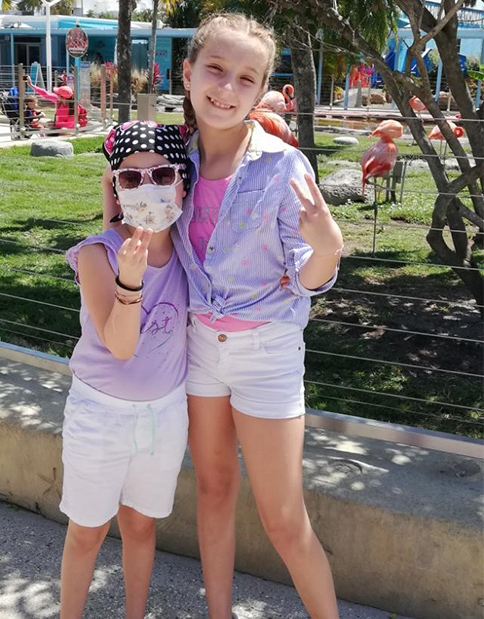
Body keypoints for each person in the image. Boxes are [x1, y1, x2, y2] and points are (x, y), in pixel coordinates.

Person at [103, 13, 343, 619]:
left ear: (260, 88)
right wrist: (117, 206)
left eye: (245, 77)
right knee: (212, 490)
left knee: (284, 521)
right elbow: (149, 246)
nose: (226, 88)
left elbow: (306, 278)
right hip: (201, 348)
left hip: (267, 354)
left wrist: (329, 248)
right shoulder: (172, 164)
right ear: (186, 74)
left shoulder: (282, 168)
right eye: (215, 69)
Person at [60, 121, 191, 619]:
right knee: (88, 531)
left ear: (183, 180)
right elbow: (119, 345)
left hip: (164, 416)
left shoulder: (189, 254)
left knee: (141, 526)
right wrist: (129, 283)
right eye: (131, 179)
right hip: (99, 416)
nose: (148, 187)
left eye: (161, 174)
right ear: (116, 186)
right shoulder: (96, 255)